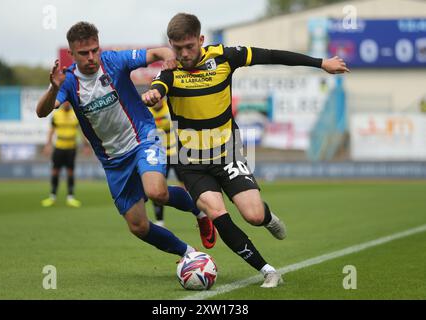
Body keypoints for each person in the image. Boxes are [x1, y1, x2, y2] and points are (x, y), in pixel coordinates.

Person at [142, 13, 350, 288]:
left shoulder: (225, 57)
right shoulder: (169, 70)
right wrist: (153, 94)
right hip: (190, 161)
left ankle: (267, 216)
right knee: (218, 213)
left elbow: (272, 55)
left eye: (189, 47)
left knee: (253, 215)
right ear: (171, 44)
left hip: (227, 153)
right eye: (177, 48)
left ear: (201, 40)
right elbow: (159, 86)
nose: (183, 54)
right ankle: (268, 270)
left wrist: (320, 63)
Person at [36, 22, 217, 262]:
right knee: (138, 226)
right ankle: (189, 254)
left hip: (143, 138)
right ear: (71, 54)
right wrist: (53, 89)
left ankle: (200, 212)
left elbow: (157, 52)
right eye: (83, 53)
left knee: (156, 192)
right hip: (114, 162)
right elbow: (42, 111)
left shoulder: (114, 61)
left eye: (94, 50)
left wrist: (168, 58)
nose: (91, 57)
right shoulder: (68, 82)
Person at [41, 101, 90, 208]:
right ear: (63, 103)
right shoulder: (56, 115)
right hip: (59, 147)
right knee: (55, 171)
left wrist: (86, 145)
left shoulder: (75, 114)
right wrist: (48, 145)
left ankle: (70, 197)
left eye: (69, 102)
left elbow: (81, 131)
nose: (67, 104)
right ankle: (52, 196)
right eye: (65, 102)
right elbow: (51, 131)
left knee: (70, 172)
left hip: (71, 148)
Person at [148, 97, 185, 227]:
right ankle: (159, 221)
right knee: (157, 187)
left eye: (158, 99)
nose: (156, 101)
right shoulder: (147, 111)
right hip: (160, 155)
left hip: (176, 153)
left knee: (189, 185)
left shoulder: (169, 108)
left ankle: (202, 214)